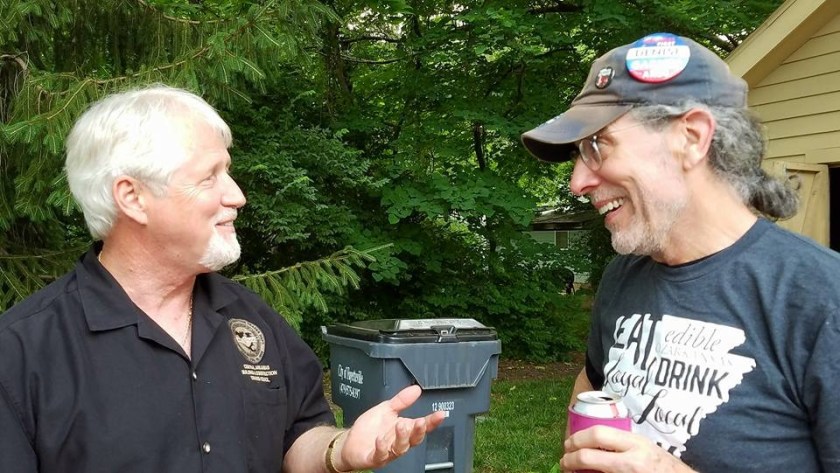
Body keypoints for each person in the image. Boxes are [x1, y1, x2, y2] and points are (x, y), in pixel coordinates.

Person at [0, 85, 445, 473]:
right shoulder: (22, 354)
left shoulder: (253, 320)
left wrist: (340, 449)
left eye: (227, 172)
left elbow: (296, 439)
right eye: (209, 177)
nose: (236, 196)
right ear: (133, 198)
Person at [521, 33, 840, 472]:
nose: (578, 182)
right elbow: (593, 380)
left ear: (691, 136)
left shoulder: (822, 298)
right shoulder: (623, 275)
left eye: (597, 146)